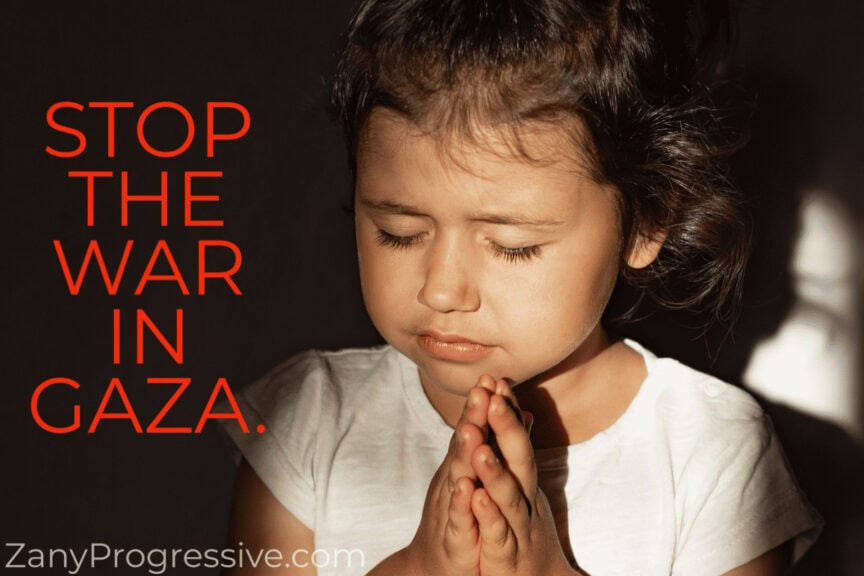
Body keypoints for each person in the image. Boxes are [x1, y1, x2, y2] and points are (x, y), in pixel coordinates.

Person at [221, 1, 821, 574]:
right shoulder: (306, 419)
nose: (442, 290)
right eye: (399, 232)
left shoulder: (709, 452)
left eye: (513, 246)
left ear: (645, 223)